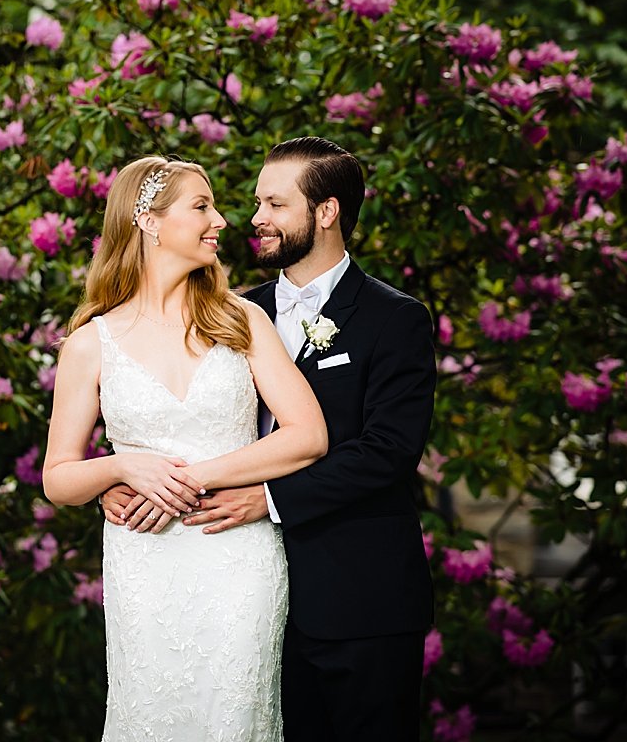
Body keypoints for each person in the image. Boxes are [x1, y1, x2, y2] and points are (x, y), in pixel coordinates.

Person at [104, 137, 437, 741]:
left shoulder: (396, 318)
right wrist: (121, 477)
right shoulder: (229, 314)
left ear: (326, 212)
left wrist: (270, 498)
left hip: (359, 595)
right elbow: (179, 413)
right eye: (258, 202)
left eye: (275, 205)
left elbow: (388, 450)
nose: (256, 218)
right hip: (244, 597)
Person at [41, 155, 328, 742]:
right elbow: (58, 479)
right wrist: (121, 465)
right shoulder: (88, 344)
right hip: (144, 564)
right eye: (201, 206)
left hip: (237, 561)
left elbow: (308, 435)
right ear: (147, 220)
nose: (220, 220)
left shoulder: (242, 320)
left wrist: (191, 477)